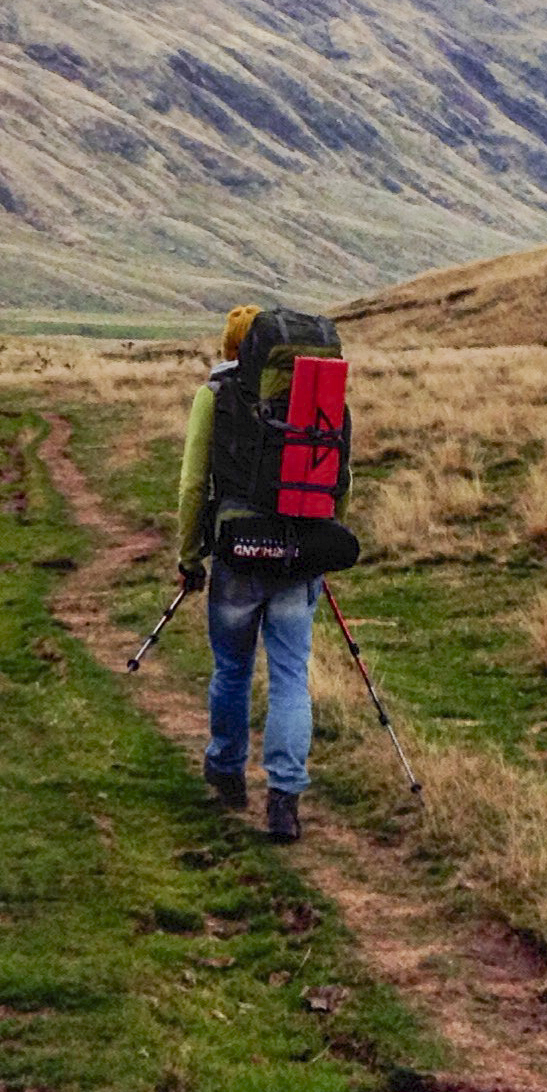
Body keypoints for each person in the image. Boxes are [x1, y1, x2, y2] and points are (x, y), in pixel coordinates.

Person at [175, 303, 319, 842]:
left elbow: (193, 487)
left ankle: (227, 772)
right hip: (300, 553)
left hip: (236, 554)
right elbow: (340, 478)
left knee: (232, 670)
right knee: (289, 678)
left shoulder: (213, 397)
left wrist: (190, 557)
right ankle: (284, 799)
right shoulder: (311, 401)